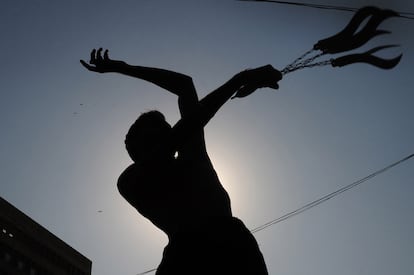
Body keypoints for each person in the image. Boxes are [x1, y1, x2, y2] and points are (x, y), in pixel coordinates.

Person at [81, 48, 282, 274]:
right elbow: (186, 123)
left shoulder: (191, 159)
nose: (171, 133)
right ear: (140, 149)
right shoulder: (130, 180)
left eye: (168, 129)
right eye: (159, 133)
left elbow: (185, 86)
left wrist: (123, 68)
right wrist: (241, 79)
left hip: (233, 250)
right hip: (188, 258)